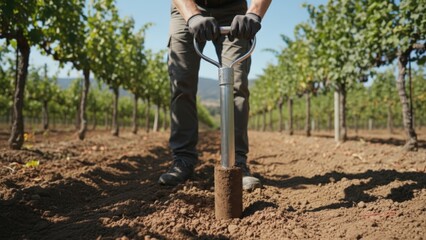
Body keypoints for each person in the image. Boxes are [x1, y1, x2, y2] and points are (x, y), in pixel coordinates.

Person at [159, 0, 272, 191]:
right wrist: (193, 15)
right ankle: (183, 160)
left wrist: (254, 13)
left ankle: (236, 162)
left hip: (233, 10)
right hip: (187, 6)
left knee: (236, 83)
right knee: (181, 81)